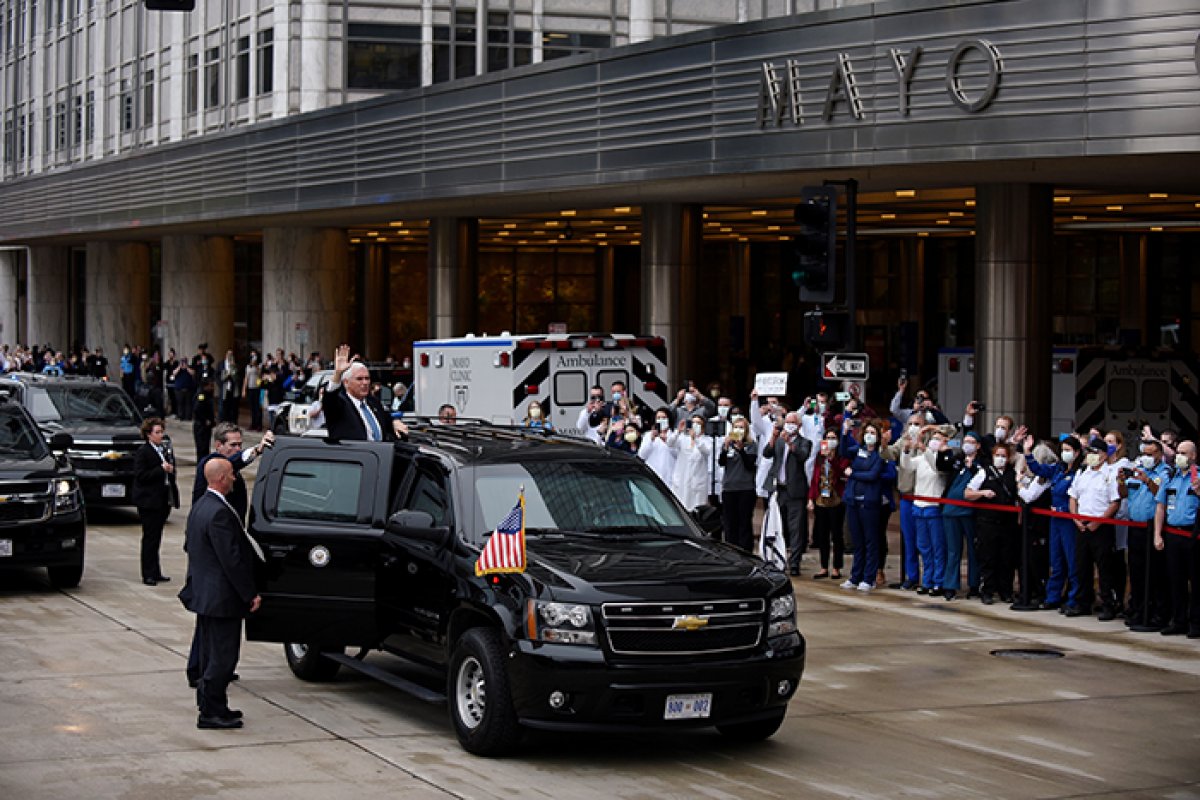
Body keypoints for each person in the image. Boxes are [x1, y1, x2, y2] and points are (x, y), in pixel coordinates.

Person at [178, 458, 263, 730]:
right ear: (221, 478)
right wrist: (250, 593)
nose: (235, 479)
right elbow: (232, 560)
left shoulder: (202, 507)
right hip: (221, 598)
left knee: (210, 655)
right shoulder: (218, 513)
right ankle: (210, 712)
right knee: (223, 657)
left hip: (206, 595)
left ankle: (214, 705)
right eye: (232, 475)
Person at [1022, 435, 1082, 611]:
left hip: (1069, 519)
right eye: (1063, 450)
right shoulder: (1058, 469)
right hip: (1055, 518)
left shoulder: (1078, 472)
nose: (1065, 454)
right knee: (1055, 560)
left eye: (1069, 450)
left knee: (1071, 560)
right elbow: (1038, 469)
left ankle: (1073, 598)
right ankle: (1053, 596)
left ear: (1077, 452)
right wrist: (1027, 452)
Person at [1065, 441, 1122, 619]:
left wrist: (1099, 522)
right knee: (1082, 565)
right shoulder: (1083, 473)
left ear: (1104, 455)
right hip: (1081, 525)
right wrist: (1075, 518)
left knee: (1105, 568)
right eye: (1088, 452)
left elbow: (1115, 502)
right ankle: (1083, 602)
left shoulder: (1110, 475)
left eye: (1094, 452)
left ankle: (1108, 604)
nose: (1090, 455)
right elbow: (1073, 497)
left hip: (1101, 526)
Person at [1122, 437, 1170, 629]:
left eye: (1151, 454)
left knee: (1156, 573)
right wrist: (1121, 480)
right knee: (1136, 571)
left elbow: (1162, 495)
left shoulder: (1165, 473)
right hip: (1135, 527)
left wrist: (1147, 481)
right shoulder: (1137, 470)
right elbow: (1125, 493)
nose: (1147, 458)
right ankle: (1139, 609)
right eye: (1145, 454)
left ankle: (1157, 613)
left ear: (1159, 455)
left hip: (1153, 528)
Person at [1154, 441, 1199, 637]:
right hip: (1172, 534)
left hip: (1193, 535)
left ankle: (1196, 623)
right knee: (1175, 580)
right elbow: (1160, 506)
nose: (1179, 456)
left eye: (1183, 453)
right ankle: (1178, 620)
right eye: (1178, 453)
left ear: (1193, 456)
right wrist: (1157, 534)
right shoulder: (1170, 476)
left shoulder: (1198, 477)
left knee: (1195, 581)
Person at [965, 442, 1020, 604]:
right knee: (988, 557)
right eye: (998, 455)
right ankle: (987, 590)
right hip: (987, 522)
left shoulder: (1012, 474)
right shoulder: (984, 472)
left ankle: (1006, 591)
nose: (1000, 459)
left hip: (1007, 523)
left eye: (1004, 456)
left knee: (1006, 559)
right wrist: (982, 493)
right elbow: (967, 493)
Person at [762, 411, 813, 576]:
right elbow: (766, 453)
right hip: (778, 489)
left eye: (792, 422)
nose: (789, 425)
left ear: (798, 426)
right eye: (787, 422)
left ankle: (795, 562)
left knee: (796, 528)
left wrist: (790, 444)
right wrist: (773, 436)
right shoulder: (779, 441)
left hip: (795, 491)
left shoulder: (805, 442)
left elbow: (802, 456)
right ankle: (778, 558)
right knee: (778, 526)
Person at [323, 345, 407, 441]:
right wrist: (338, 374)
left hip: (380, 454)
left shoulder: (373, 402)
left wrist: (394, 422)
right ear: (346, 382)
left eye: (367, 378)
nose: (365, 383)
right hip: (354, 454)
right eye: (359, 379)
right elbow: (330, 398)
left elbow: (387, 418)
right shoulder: (340, 405)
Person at [132, 417, 179, 586]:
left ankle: (156, 570)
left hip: (162, 499)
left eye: (161, 432)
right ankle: (148, 573)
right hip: (148, 501)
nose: (160, 435)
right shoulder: (144, 452)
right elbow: (141, 475)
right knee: (150, 538)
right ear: (148, 435)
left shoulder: (163, 450)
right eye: (157, 432)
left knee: (157, 537)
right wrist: (160, 469)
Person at [839, 417, 885, 592]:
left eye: (873, 433)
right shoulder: (859, 450)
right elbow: (843, 451)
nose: (869, 436)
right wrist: (845, 432)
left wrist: (854, 473)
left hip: (869, 502)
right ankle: (855, 576)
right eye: (867, 433)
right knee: (857, 541)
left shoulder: (880, 454)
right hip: (853, 500)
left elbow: (873, 475)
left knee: (870, 541)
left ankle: (869, 577)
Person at [904, 426, 950, 596]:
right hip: (919, 505)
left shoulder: (944, 458)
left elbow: (937, 467)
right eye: (933, 438)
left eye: (938, 439)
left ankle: (939, 581)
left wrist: (925, 449)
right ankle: (927, 579)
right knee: (924, 547)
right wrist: (907, 450)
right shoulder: (923, 457)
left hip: (934, 506)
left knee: (938, 546)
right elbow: (907, 466)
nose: (934, 441)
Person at [938, 430, 983, 600]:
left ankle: (974, 584)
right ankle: (950, 585)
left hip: (970, 512)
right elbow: (942, 466)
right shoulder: (957, 459)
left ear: (978, 446)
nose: (967, 444)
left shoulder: (982, 464)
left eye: (972, 441)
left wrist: (973, 467)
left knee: (973, 549)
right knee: (953, 549)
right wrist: (943, 453)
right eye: (966, 441)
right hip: (950, 510)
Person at [808, 428, 848, 579]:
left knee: (837, 535)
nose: (830, 440)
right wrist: (811, 498)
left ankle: (837, 567)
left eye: (833, 438)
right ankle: (824, 566)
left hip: (836, 500)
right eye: (828, 437)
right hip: (821, 500)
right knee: (822, 535)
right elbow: (814, 479)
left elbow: (840, 473)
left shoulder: (841, 457)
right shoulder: (819, 456)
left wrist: (832, 459)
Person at [718, 416, 758, 551]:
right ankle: (731, 549)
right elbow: (721, 462)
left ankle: (745, 550)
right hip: (729, 488)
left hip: (745, 488)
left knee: (744, 522)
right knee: (730, 522)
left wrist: (741, 450)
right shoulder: (728, 445)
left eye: (741, 427)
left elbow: (750, 465)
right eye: (736, 427)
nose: (738, 430)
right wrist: (725, 447)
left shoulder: (751, 445)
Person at [669, 414, 712, 512]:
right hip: (682, 480)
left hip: (697, 482)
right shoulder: (682, 438)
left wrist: (695, 439)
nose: (695, 425)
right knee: (680, 507)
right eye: (693, 423)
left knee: (697, 509)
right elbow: (670, 443)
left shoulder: (707, 440)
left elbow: (706, 451)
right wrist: (678, 431)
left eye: (698, 423)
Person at [638, 407, 677, 486]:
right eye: (658, 418)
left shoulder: (674, 434)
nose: (661, 420)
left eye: (664, 418)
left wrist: (667, 441)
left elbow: (677, 454)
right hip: (653, 474)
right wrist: (651, 439)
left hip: (670, 475)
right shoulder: (648, 435)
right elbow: (642, 455)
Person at [193, 379, 217, 459]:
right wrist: (205, 420)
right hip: (201, 425)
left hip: (207, 426)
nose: (212, 388)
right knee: (202, 447)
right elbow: (197, 409)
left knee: (206, 447)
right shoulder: (201, 395)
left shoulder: (208, 395)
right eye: (210, 386)